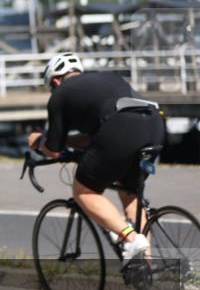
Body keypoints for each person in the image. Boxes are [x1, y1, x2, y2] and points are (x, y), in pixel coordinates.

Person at [28, 52, 166, 264]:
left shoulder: (60, 94)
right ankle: (146, 265)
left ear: (56, 81)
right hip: (154, 124)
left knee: (84, 192)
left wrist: (37, 142)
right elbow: (99, 135)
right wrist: (72, 143)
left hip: (121, 129)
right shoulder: (106, 79)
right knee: (130, 193)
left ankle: (131, 238)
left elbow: (53, 149)